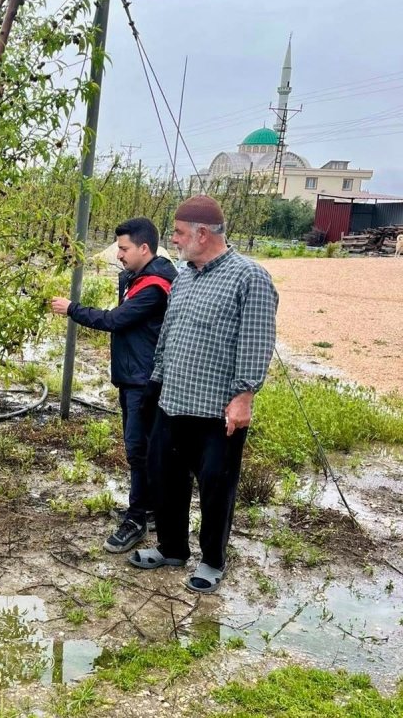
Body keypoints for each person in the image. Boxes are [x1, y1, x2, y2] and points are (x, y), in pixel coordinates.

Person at [129, 195, 277, 593]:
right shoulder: (185, 276)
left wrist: (244, 395)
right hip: (173, 402)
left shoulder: (250, 277)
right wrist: (154, 385)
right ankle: (172, 548)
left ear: (202, 233)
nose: (173, 241)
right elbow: (168, 336)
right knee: (166, 479)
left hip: (217, 411)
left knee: (215, 487)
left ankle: (212, 560)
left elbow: (257, 340)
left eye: (178, 233)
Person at [50, 217, 177, 553]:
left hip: (143, 381)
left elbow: (115, 320)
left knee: (138, 450)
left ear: (144, 248)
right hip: (133, 375)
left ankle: (137, 519)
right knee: (141, 449)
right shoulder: (139, 277)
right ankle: (146, 507)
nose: (118, 255)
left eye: (124, 249)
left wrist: (72, 309)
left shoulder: (154, 286)